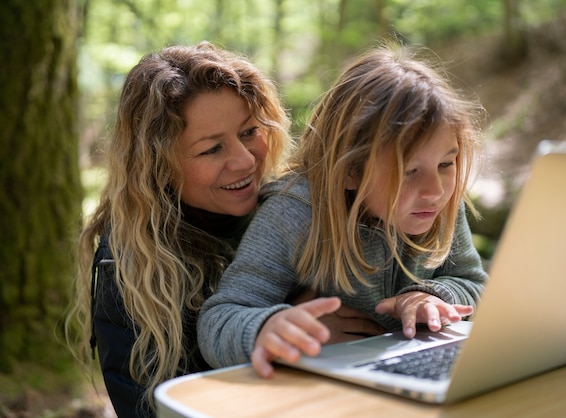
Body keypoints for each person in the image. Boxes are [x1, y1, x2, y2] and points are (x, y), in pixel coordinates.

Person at [65, 42, 384, 418]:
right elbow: (152, 411)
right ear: (157, 166)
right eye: (211, 150)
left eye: (249, 131)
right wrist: (284, 341)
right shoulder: (128, 266)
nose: (245, 160)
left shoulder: (291, 212)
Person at [197, 44, 489, 378]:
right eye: (409, 171)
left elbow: (473, 282)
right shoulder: (293, 215)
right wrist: (268, 328)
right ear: (350, 170)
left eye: (446, 163)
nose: (435, 190)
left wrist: (432, 296)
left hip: (403, 376)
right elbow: (218, 321)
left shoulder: (439, 205)